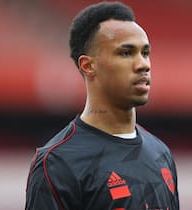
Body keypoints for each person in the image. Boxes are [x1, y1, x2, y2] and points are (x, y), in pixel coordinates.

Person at [25, 1, 179, 210]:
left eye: (145, 52)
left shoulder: (161, 153)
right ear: (88, 66)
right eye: (126, 53)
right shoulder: (58, 162)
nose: (144, 64)